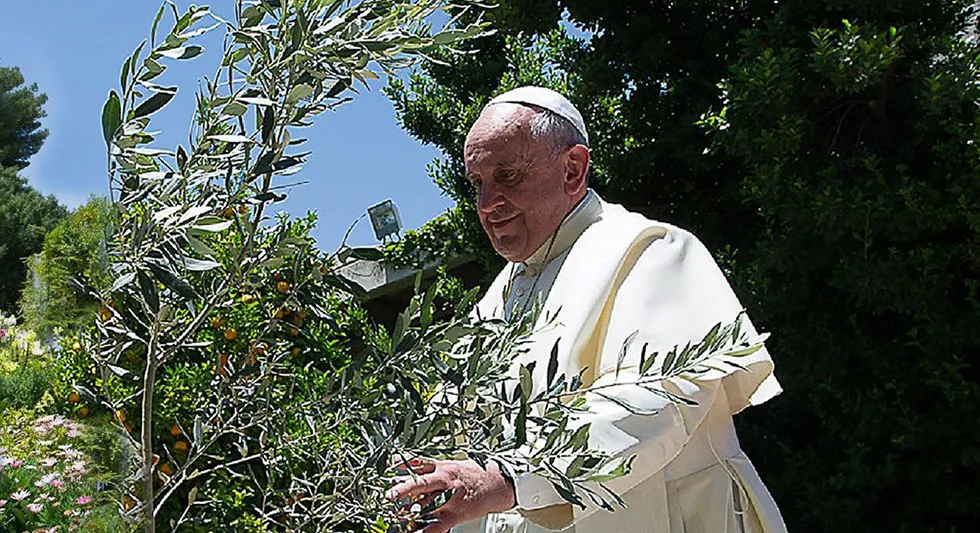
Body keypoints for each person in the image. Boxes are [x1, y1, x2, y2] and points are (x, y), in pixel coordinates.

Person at [388, 86, 786, 533]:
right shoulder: (497, 296)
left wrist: (509, 479)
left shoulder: (649, 249)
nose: (486, 205)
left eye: (508, 176)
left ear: (573, 169)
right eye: (478, 183)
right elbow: (455, 424)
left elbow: (660, 399)